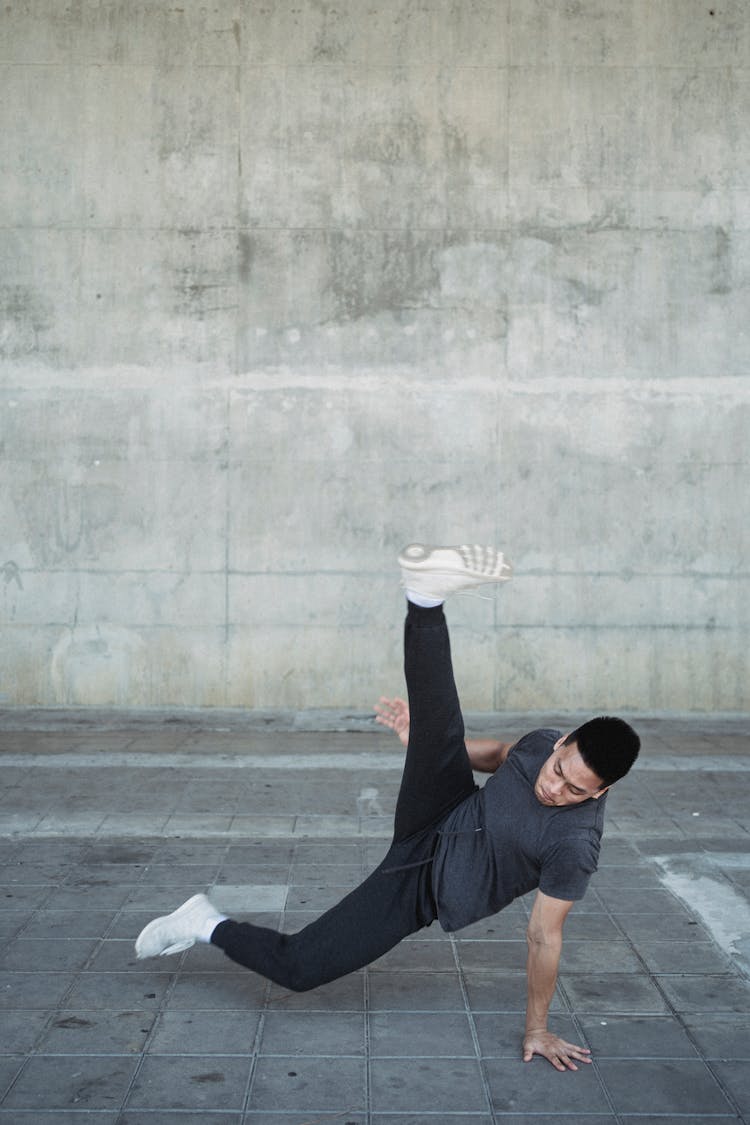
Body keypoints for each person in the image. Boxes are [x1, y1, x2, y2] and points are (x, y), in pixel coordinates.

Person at [135, 542, 640, 1072]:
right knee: (439, 723)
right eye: (559, 771)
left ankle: (202, 922)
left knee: (300, 967)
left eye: (576, 791)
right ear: (562, 744)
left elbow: (543, 936)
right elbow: (497, 757)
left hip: (422, 883)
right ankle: (425, 598)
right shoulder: (542, 744)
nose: (555, 788)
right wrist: (422, 746)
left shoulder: (575, 846)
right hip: (442, 807)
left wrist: (537, 1028)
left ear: (600, 793)